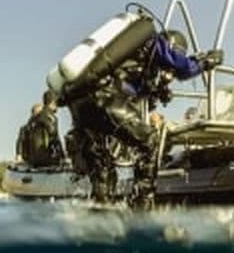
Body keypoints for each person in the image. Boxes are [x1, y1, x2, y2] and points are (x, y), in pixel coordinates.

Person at [62, 26, 223, 203]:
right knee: (149, 142)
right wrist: (205, 62)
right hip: (104, 98)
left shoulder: (132, 59)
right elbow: (183, 68)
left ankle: (101, 208)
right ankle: (142, 203)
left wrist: (156, 90)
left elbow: (130, 88)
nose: (169, 74)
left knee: (102, 164)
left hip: (82, 105)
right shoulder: (152, 40)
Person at [15, 91, 65, 167]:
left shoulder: (32, 121)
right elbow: (54, 137)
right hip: (46, 159)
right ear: (53, 102)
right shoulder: (50, 117)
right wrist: (63, 157)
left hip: (32, 161)